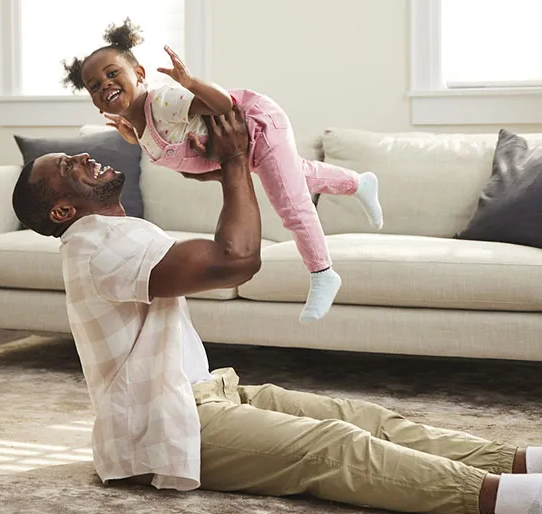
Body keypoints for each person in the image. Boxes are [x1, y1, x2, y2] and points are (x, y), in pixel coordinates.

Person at [10, 105, 542, 514]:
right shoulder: (96, 244)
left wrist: (210, 147)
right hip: (163, 428)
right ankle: (529, 502)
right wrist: (235, 162)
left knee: (359, 418)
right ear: (63, 210)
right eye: (67, 167)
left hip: (200, 393)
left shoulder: (113, 233)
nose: (83, 157)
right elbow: (237, 261)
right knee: (335, 449)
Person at [60, 19, 385, 323]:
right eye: (94, 85)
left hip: (255, 122)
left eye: (112, 73)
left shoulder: (162, 102)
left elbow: (224, 106)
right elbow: (177, 154)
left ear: (139, 73)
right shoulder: (139, 129)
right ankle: (359, 183)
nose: (105, 84)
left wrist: (190, 83)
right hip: (243, 146)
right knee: (297, 174)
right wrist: (135, 136)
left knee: (290, 202)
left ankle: (323, 272)